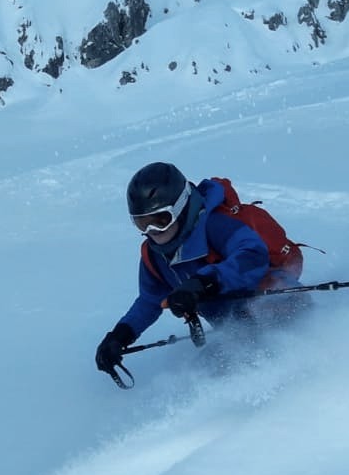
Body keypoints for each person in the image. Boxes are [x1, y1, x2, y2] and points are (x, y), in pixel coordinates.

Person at [94, 161, 302, 377]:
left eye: (160, 220)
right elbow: (149, 301)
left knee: (267, 362)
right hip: (238, 331)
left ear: (180, 206)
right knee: (199, 374)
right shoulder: (156, 256)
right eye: (142, 223)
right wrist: (119, 336)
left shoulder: (213, 225)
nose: (152, 230)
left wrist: (203, 282)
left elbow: (253, 254)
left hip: (281, 309)